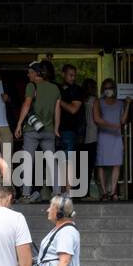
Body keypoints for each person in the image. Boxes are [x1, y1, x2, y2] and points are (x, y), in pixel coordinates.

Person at [16, 60, 60, 203]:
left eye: (30, 73)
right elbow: (57, 110)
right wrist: (56, 128)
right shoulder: (55, 89)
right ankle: (57, 193)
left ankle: (26, 194)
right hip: (49, 130)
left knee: (28, 161)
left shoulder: (31, 86)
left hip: (32, 131)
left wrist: (19, 124)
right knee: (51, 161)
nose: (28, 76)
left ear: (36, 73)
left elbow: (27, 104)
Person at [94, 79, 127, 201]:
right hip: (103, 136)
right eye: (106, 88)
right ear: (103, 89)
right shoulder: (98, 102)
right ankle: (104, 192)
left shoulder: (120, 103)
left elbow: (123, 121)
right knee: (101, 164)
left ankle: (113, 192)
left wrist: (128, 104)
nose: (108, 90)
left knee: (116, 163)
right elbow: (96, 119)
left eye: (111, 87)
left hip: (116, 137)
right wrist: (112, 125)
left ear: (114, 89)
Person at [54, 64, 85, 193]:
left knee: (68, 160)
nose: (73, 77)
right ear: (63, 74)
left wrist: (58, 100)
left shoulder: (77, 90)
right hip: (55, 129)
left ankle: (68, 191)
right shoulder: (57, 88)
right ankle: (61, 191)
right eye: (70, 75)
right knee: (57, 160)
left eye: (74, 75)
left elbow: (73, 109)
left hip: (70, 130)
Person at [81, 79, 98, 196]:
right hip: (92, 135)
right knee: (89, 166)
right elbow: (97, 119)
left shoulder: (81, 100)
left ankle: (80, 190)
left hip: (81, 136)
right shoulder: (94, 101)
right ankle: (86, 191)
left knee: (81, 165)